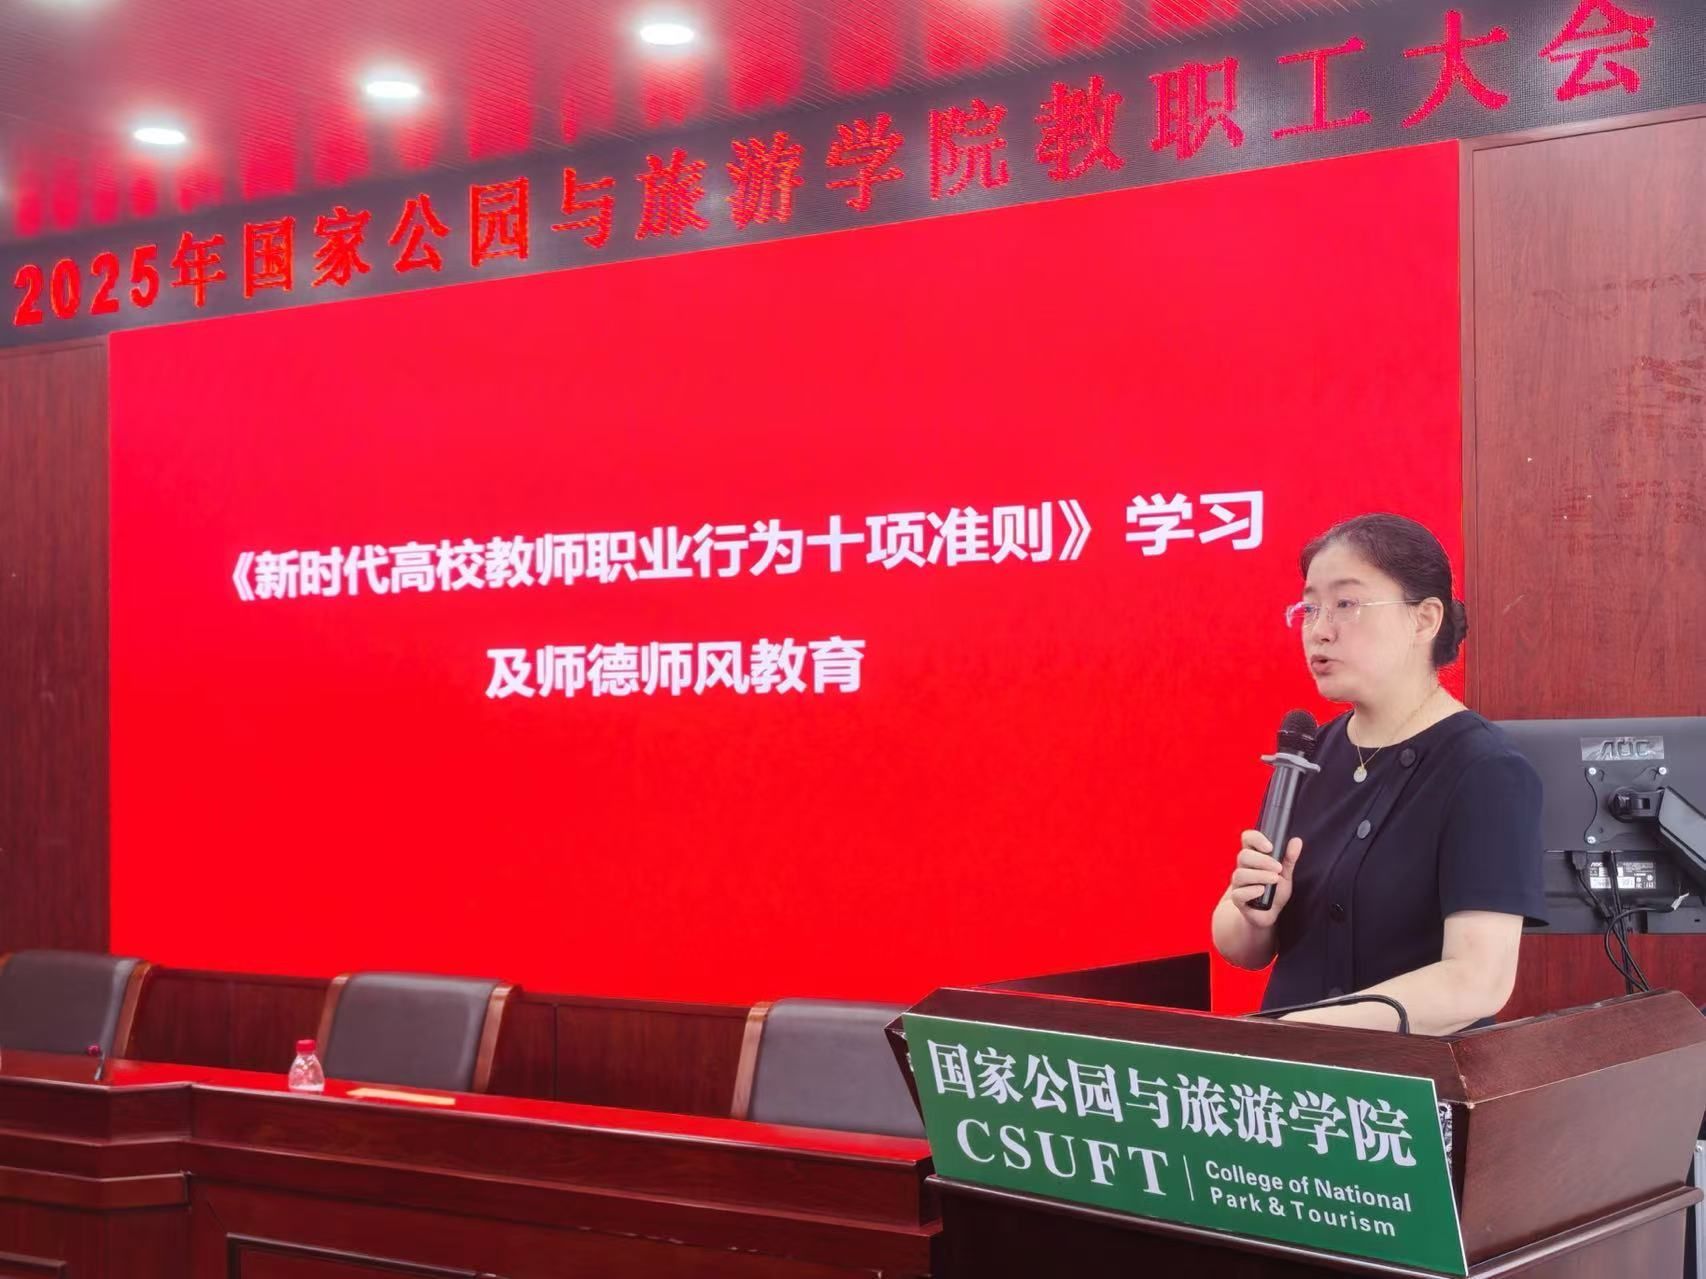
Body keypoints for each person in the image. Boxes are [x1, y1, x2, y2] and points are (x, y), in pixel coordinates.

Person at [1210, 513, 1546, 1033]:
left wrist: (1307, 1033)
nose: (1320, 630)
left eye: (1347, 604)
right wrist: (1253, 912)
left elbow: (1477, 981)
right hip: (1293, 1069)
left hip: (1410, 1078)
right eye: (1310, 608)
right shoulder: (1309, 753)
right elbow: (1241, 947)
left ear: (1425, 619)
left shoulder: (1485, 770)